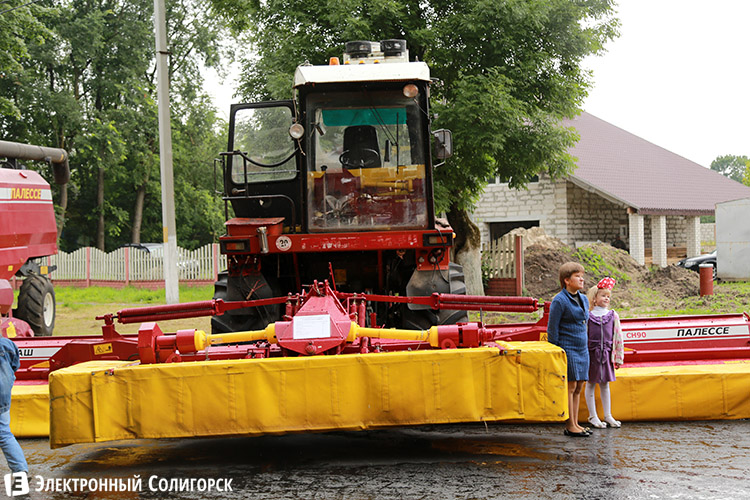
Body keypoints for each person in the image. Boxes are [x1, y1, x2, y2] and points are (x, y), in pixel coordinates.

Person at [547, 262, 590, 437]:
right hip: (568, 348)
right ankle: (570, 425)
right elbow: (552, 329)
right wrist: (557, 352)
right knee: (570, 386)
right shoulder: (559, 300)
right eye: (577, 276)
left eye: (582, 276)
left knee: (579, 386)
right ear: (566, 280)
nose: (582, 279)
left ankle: (576, 423)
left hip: (582, 348)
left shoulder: (584, 299)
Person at [584, 277, 625, 429]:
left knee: (605, 384)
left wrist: (618, 357)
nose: (607, 298)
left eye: (608, 296)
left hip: (606, 354)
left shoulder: (613, 315)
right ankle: (593, 416)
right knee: (590, 383)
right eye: (603, 295)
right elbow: (584, 335)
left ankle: (608, 415)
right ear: (594, 298)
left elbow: (618, 336)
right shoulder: (588, 316)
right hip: (591, 354)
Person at [0, 334, 28, 474]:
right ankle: (20, 471)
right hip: (3, 397)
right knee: (5, 434)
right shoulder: (7, 344)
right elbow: (15, 365)